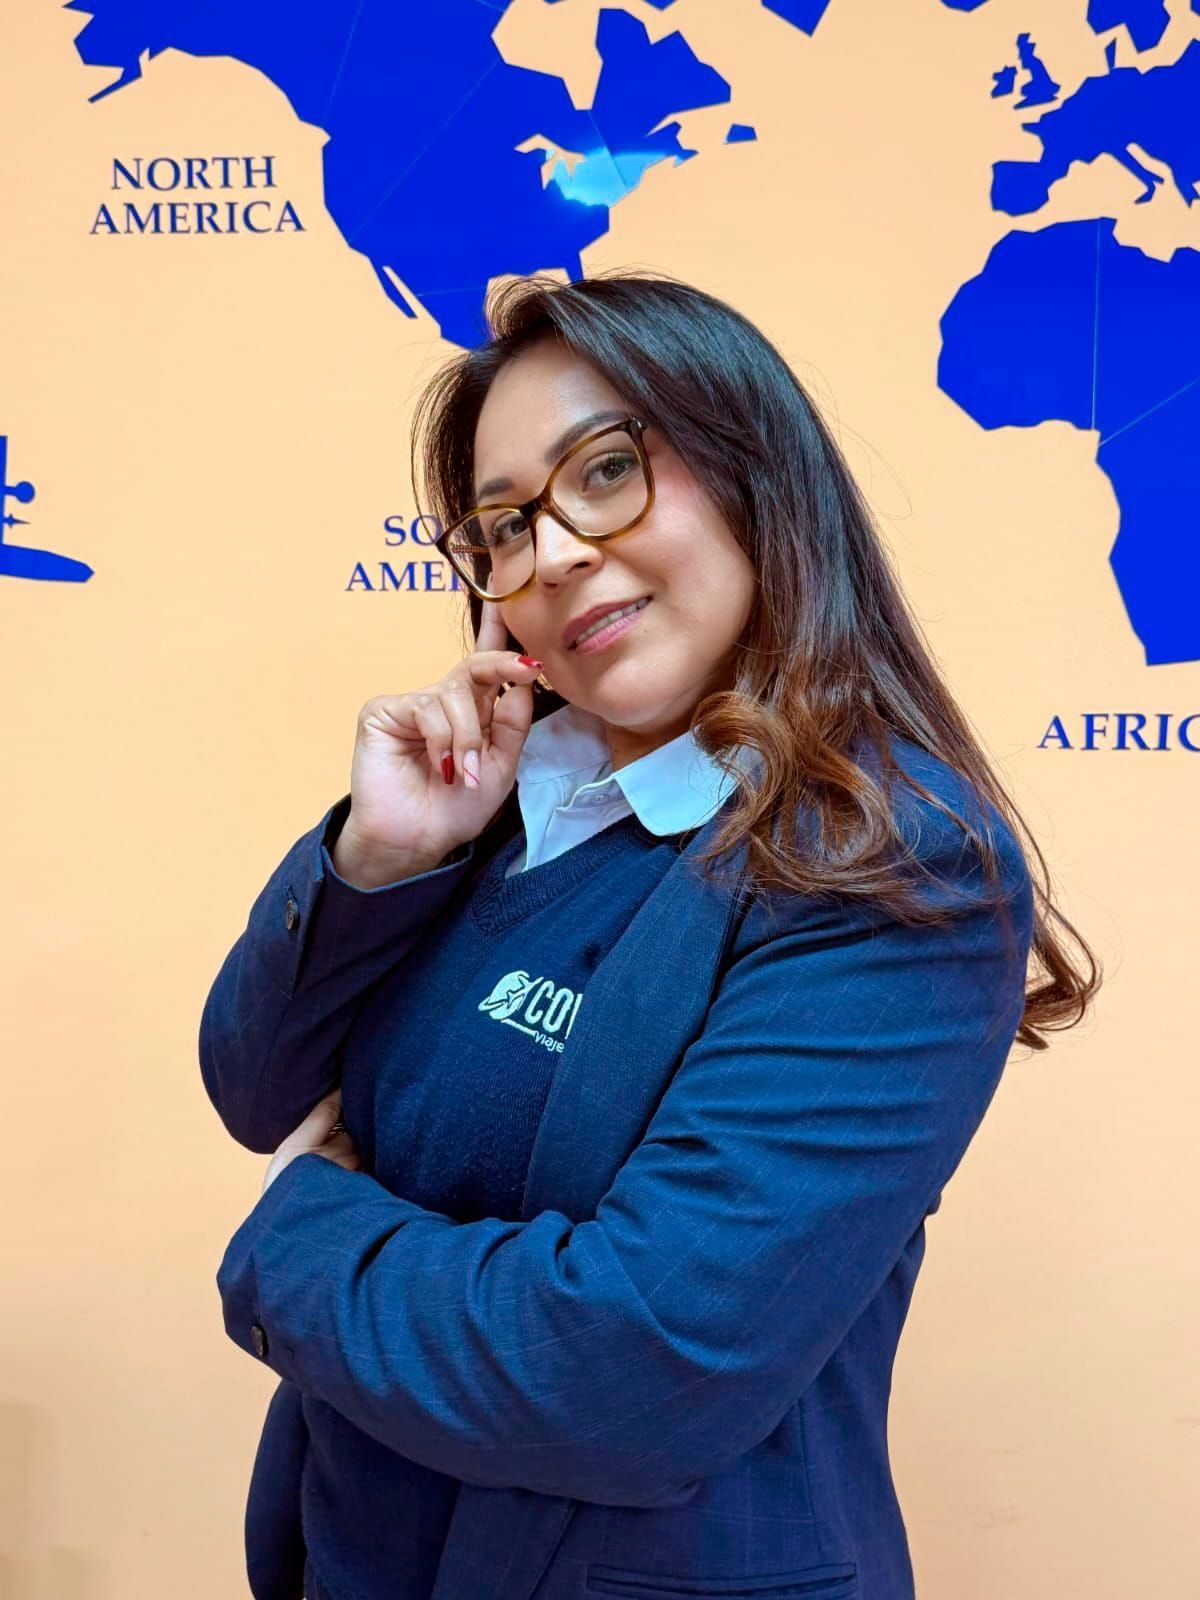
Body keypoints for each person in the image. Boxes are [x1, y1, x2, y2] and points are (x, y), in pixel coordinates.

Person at [201, 270, 1100, 1600]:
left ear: (757, 475)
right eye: (503, 526)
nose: (552, 553)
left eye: (607, 471)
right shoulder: (505, 799)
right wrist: (379, 856)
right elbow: (256, 1082)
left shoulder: (887, 863)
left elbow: (624, 1372)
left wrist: (291, 1238)